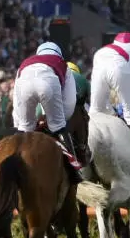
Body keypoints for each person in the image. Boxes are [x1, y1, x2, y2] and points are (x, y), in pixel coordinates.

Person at [13, 41, 84, 178]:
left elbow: (16, 98)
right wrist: (58, 121)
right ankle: (74, 170)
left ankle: (14, 160)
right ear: (59, 55)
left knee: (24, 128)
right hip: (47, 85)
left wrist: (20, 123)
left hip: (24, 85)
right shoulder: (63, 64)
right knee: (59, 126)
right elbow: (69, 102)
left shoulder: (25, 63)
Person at [90, 32, 130, 175]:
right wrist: (129, 107)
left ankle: (85, 157)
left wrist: (112, 109)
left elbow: (104, 92)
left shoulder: (104, 49)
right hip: (119, 67)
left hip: (99, 59)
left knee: (95, 111)